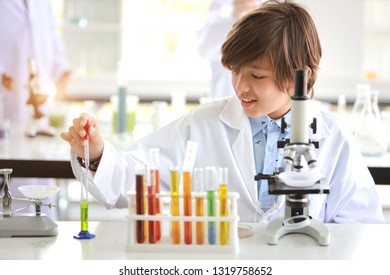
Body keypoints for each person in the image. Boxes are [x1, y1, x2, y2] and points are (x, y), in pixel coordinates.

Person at [61, 0, 384, 224]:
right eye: (234, 71)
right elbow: (140, 177)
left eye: (257, 76)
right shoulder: (203, 124)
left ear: (302, 76)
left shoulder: (333, 136)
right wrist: (97, 153)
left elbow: (358, 223)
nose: (241, 86)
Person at [0, 0, 71, 219]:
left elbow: (50, 35)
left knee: (42, 181)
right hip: (7, 105)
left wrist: (62, 69)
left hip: (41, 107)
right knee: (12, 184)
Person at [198, 0, 264, 99]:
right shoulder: (219, 16)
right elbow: (204, 49)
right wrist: (238, 20)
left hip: (262, 100)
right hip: (223, 96)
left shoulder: (272, 17)